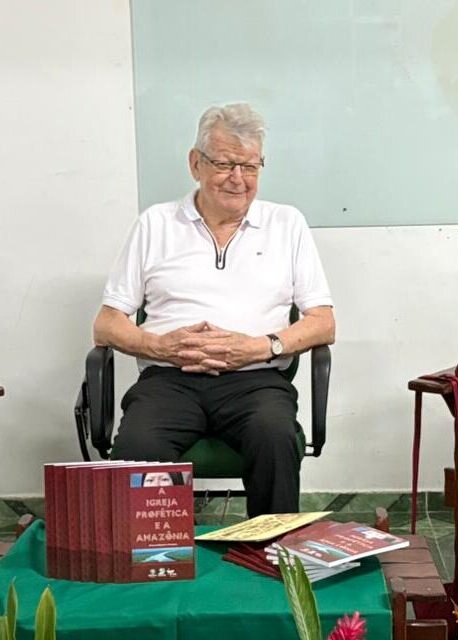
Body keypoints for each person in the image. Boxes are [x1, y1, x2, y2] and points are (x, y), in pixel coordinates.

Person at [93, 103, 335, 517]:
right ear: (195, 163)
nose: (238, 179)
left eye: (250, 166)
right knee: (138, 448)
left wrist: (261, 347)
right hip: (169, 379)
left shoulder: (287, 224)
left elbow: (323, 323)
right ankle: (148, 569)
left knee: (274, 436)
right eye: (224, 164)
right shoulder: (156, 224)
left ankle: (271, 562)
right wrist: (160, 346)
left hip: (255, 382)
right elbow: (106, 324)